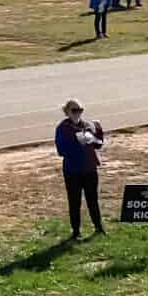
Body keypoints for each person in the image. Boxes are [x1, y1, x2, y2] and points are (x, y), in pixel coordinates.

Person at [54, 99, 106, 239]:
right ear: (67, 112)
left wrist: (99, 131)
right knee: (74, 201)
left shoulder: (87, 125)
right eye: (74, 110)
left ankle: (98, 227)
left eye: (80, 110)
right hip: (72, 171)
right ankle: (76, 231)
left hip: (89, 168)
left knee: (92, 199)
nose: (78, 113)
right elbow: (61, 151)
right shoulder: (62, 128)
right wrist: (77, 142)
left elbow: (98, 145)